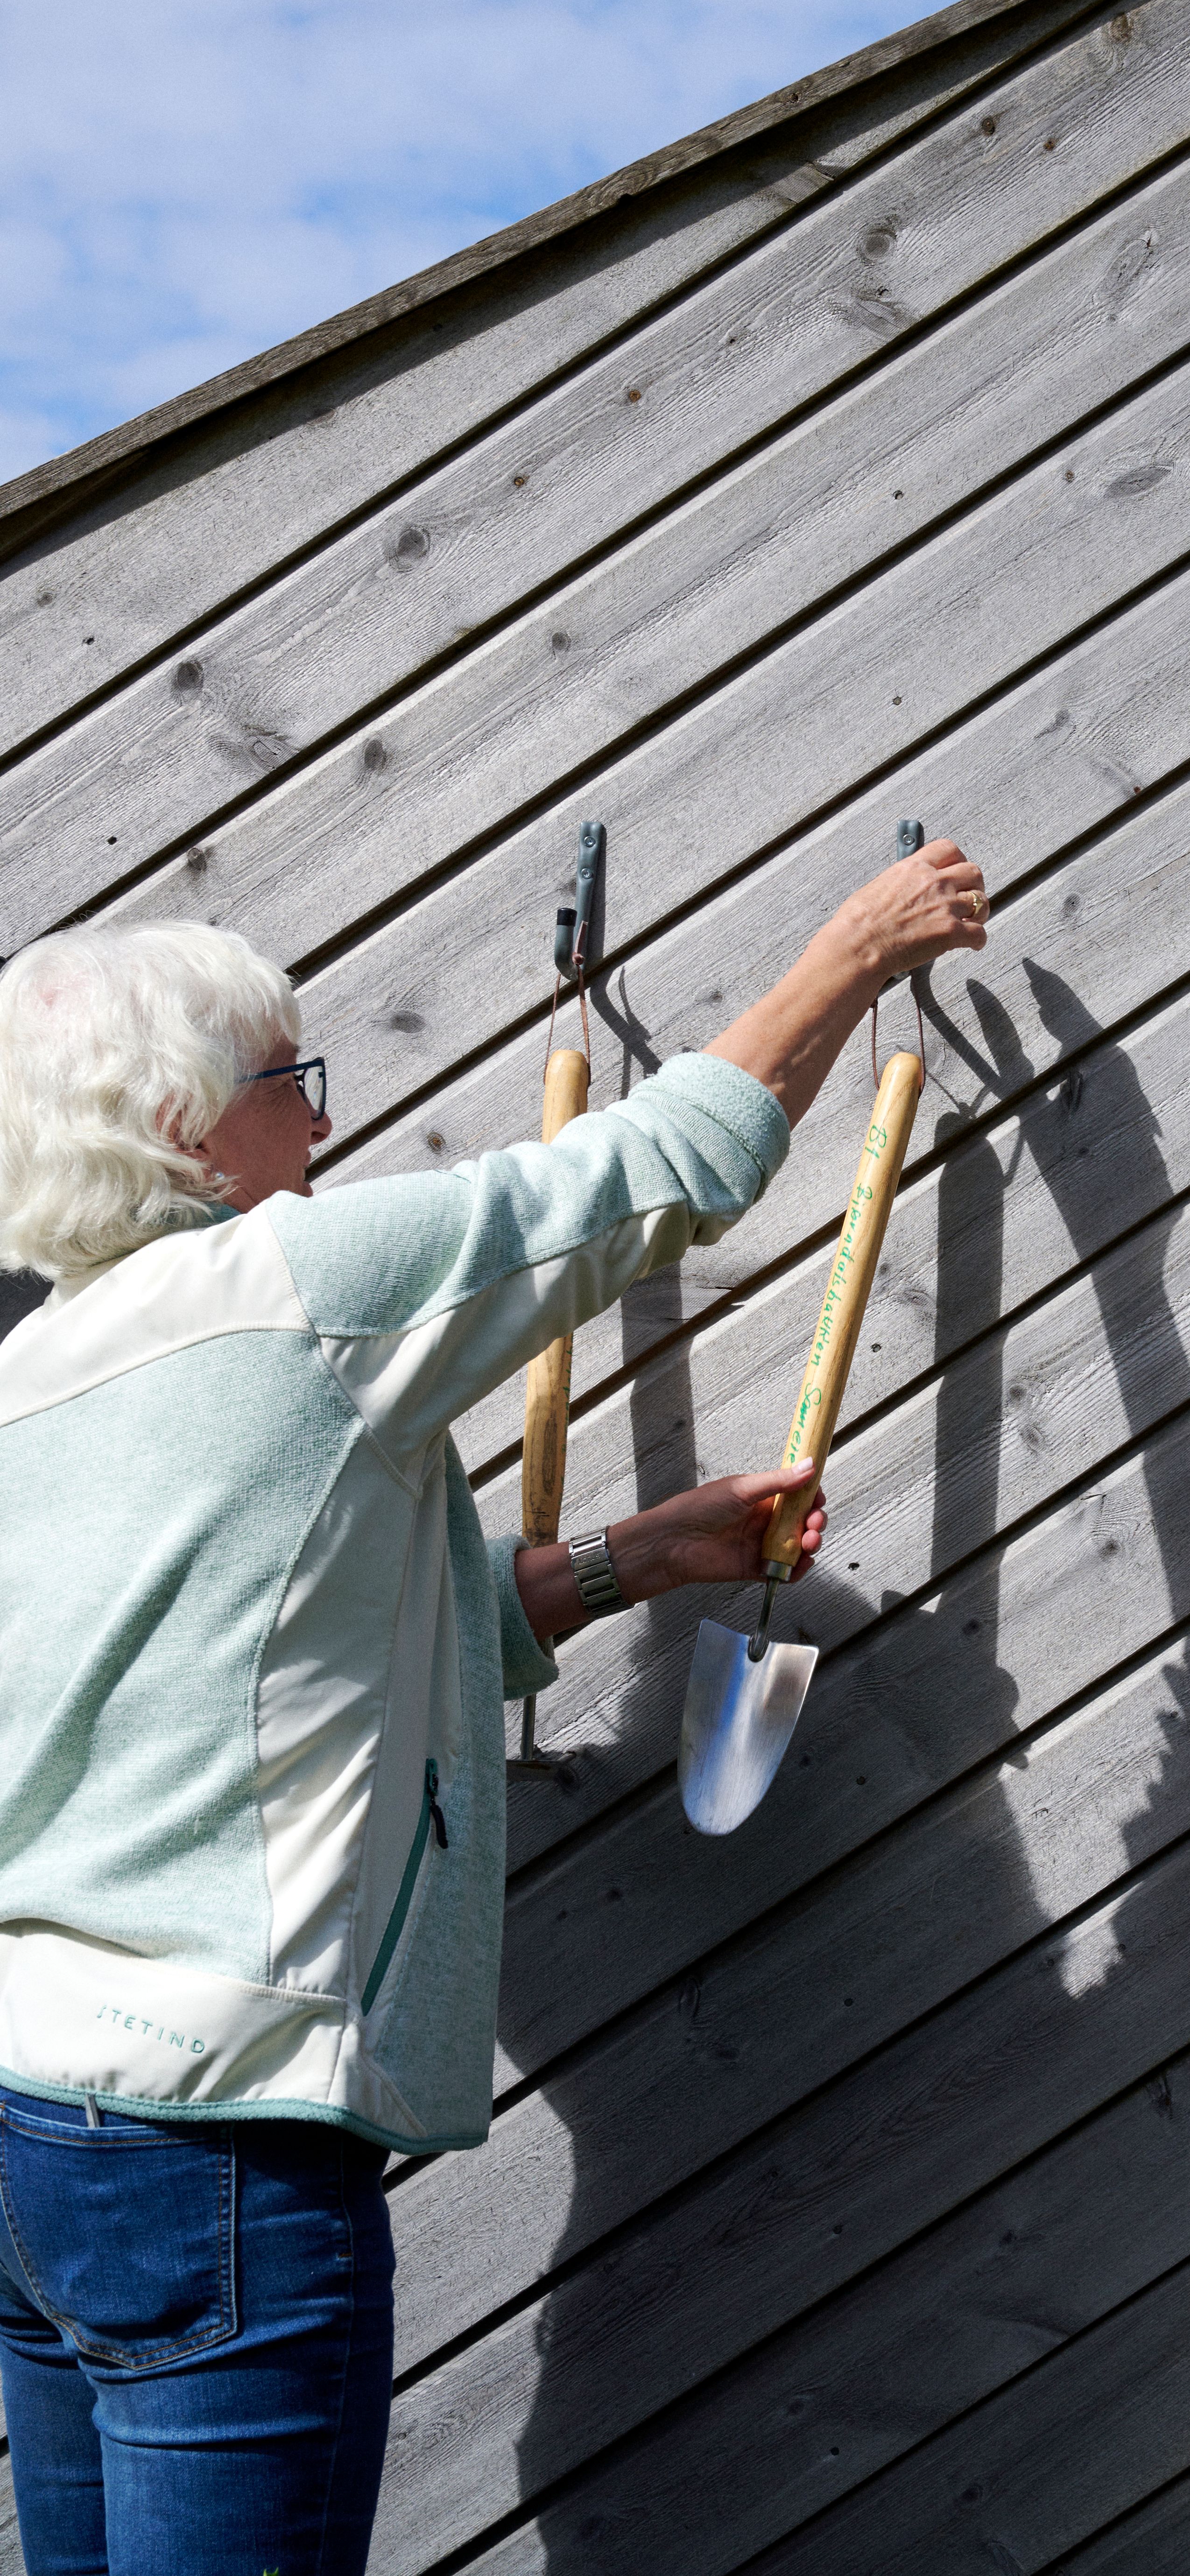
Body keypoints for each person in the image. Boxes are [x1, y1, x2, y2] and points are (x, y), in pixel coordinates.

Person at [0, 838, 988, 2576]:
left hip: (28, 2134)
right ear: (181, 1128)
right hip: (209, 2143)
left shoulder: (38, 1379)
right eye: (286, 1084)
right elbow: (665, 1160)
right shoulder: (296, 1288)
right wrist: (856, 944)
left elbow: (303, 1645)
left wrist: (635, 1559)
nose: (317, 1124)